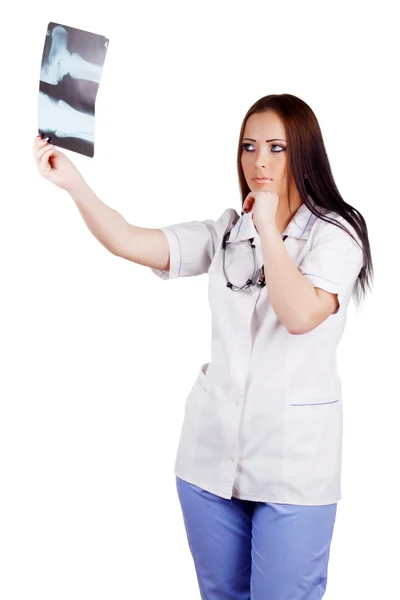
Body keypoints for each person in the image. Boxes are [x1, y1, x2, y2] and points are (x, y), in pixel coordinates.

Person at [33, 93, 373, 600]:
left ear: (306, 153)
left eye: (277, 147)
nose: (260, 161)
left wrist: (267, 227)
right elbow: (130, 239)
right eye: (249, 146)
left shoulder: (336, 234)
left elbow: (301, 314)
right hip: (209, 465)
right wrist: (74, 184)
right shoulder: (228, 233)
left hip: (294, 470)